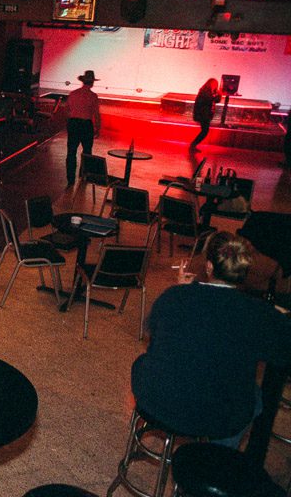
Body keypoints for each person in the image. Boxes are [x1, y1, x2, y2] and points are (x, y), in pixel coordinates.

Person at [131, 232, 291, 447]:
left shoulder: (174, 296)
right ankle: (214, 459)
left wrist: (183, 291)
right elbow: (283, 352)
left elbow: (156, 333)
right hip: (216, 416)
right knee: (252, 398)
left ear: (208, 267)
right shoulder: (258, 313)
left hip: (157, 400)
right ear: (244, 272)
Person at [65, 70, 102, 187]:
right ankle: (83, 176)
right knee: (87, 153)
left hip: (74, 123)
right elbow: (96, 114)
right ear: (91, 83)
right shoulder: (93, 96)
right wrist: (98, 128)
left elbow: (68, 110)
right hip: (86, 125)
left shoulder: (73, 93)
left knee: (71, 152)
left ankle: (70, 179)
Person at [190, 78, 221, 150]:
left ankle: (193, 145)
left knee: (204, 131)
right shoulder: (204, 92)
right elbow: (209, 100)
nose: (215, 86)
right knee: (205, 131)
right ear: (210, 84)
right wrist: (217, 94)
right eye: (214, 84)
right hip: (203, 115)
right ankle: (193, 145)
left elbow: (216, 100)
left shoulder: (208, 92)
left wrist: (219, 94)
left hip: (205, 115)